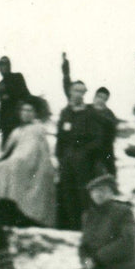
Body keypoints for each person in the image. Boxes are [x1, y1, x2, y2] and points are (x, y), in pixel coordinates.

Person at [0, 99, 56, 226]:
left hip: (34, 168)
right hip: (16, 163)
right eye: (24, 110)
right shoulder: (17, 131)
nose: (26, 113)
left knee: (11, 173)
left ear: (35, 113)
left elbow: (30, 152)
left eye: (30, 110)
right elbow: (8, 152)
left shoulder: (36, 129)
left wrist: (14, 162)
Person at [55, 80, 105, 230]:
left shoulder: (90, 113)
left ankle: (86, 227)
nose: (79, 94)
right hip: (66, 159)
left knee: (83, 194)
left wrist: (85, 153)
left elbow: (98, 139)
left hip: (83, 160)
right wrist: (60, 156)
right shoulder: (66, 112)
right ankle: (71, 226)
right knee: (67, 192)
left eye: (82, 91)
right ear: (70, 92)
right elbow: (60, 137)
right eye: (76, 90)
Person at [0, 57, 31, 146]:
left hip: (20, 116)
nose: (2, 68)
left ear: (9, 66)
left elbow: (25, 94)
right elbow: (2, 105)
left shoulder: (17, 77)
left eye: (5, 65)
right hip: (7, 120)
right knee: (6, 146)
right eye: (1, 66)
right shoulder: (0, 85)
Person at [92, 87, 118, 176]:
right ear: (94, 96)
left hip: (105, 152)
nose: (101, 100)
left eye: (104, 98)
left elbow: (112, 136)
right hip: (87, 153)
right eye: (99, 96)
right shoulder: (87, 110)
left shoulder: (109, 115)